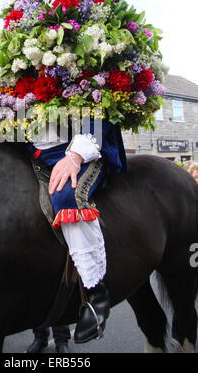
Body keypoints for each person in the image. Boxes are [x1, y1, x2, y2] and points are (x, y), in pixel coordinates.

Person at [27, 118, 127, 343]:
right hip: (35, 149)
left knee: (68, 196)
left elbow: (102, 112)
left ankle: (96, 296)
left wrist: (75, 156)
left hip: (81, 148)